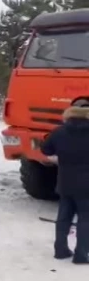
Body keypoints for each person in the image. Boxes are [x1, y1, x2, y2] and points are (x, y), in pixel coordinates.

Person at [41, 105, 89, 264]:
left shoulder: (59, 132)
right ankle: (81, 254)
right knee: (85, 219)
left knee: (63, 217)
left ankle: (60, 250)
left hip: (65, 181)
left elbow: (45, 150)